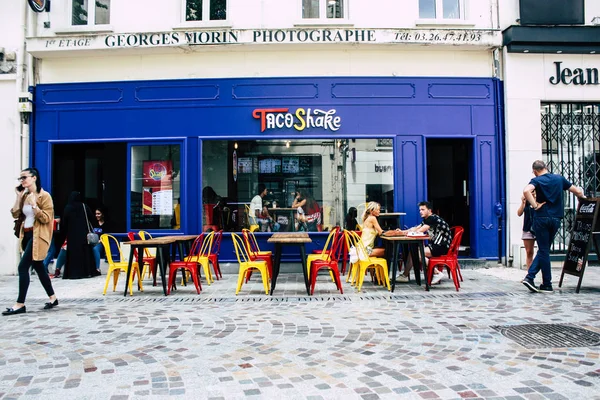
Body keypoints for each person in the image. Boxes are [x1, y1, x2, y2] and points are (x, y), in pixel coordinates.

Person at [521, 160, 585, 293]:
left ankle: (543, 282)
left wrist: (535, 205)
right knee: (544, 250)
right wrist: (582, 198)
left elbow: (526, 191)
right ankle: (536, 280)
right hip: (556, 218)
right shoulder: (559, 179)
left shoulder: (536, 180)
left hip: (541, 217)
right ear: (546, 167)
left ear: (534, 171)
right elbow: (577, 191)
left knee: (543, 250)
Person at [3, 168, 58, 316]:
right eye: (20, 178)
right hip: (26, 235)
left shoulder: (44, 196)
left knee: (22, 267)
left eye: (24, 177)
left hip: (38, 236)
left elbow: (46, 218)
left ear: (34, 178)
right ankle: (53, 298)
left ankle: (20, 304)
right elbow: (15, 213)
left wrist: (34, 206)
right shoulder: (25, 195)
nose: (22, 180)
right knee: (38, 266)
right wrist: (18, 197)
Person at [397, 201, 452, 284]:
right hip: (435, 245)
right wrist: (403, 232)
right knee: (413, 252)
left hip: (441, 247)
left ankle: (436, 273)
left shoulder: (432, 218)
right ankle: (405, 275)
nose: (420, 212)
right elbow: (415, 228)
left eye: (423, 209)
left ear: (429, 210)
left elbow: (420, 230)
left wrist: (407, 233)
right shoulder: (426, 220)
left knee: (417, 253)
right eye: (419, 210)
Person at [60, 191, 101, 279]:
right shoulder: (84, 206)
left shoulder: (68, 207)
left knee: (73, 254)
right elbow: (91, 218)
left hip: (72, 236)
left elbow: (64, 223)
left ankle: (73, 273)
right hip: (84, 235)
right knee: (85, 253)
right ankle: (87, 272)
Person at [517, 191, 536, 268]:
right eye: (531, 192)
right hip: (528, 228)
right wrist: (523, 203)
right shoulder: (527, 202)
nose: (532, 193)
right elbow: (519, 213)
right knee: (529, 252)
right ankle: (529, 274)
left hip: (539, 228)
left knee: (543, 252)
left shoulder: (540, 200)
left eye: (534, 192)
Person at [92, 206, 111, 272]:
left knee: (95, 249)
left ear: (103, 214)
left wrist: (100, 240)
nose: (96, 215)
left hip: (102, 242)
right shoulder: (93, 223)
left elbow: (108, 235)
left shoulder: (108, 224)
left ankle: (97, 268)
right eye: (96, 214)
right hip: (93, 241)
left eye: (98, 214)